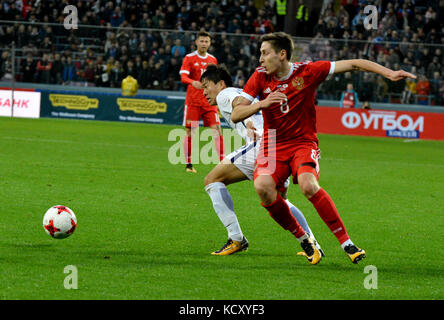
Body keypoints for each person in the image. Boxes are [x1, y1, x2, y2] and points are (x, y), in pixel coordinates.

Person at [231, 32, 416, 264]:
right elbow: (237, 113)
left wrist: (389, 73)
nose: (260, 59)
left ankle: (347, 243)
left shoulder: (308, 71)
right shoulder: (259, 77)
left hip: (302, 143)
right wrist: (262, 103)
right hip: (273, 144)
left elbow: (354, 64)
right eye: (260, 53)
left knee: (308, 185)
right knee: (263, 187)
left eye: (265, 53)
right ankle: (304, 239)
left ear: (282, 54)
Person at [201, 64, 324, 256]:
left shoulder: (225, 94)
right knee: (281, 200)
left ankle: (236, 238)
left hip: (261, 144)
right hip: (277, 145)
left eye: (206, 85)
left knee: (212, 180)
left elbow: (237, 105)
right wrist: (249, 122)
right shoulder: (241, 92)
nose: (204, 92)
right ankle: (313, 244)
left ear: (221, 84)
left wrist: (250, 124)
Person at [179, 31, 224, 173]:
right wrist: (193, 82)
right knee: (190, 131)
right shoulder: (189, 58)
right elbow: (183, 77)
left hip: (209, 102)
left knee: (217, 130)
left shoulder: (213, 59)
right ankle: (189, 164)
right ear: (196, 42)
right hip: (193, 102)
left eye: (206, 41)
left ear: (209, 43)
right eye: (202, 41)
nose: (204, 44)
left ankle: (223, 163)